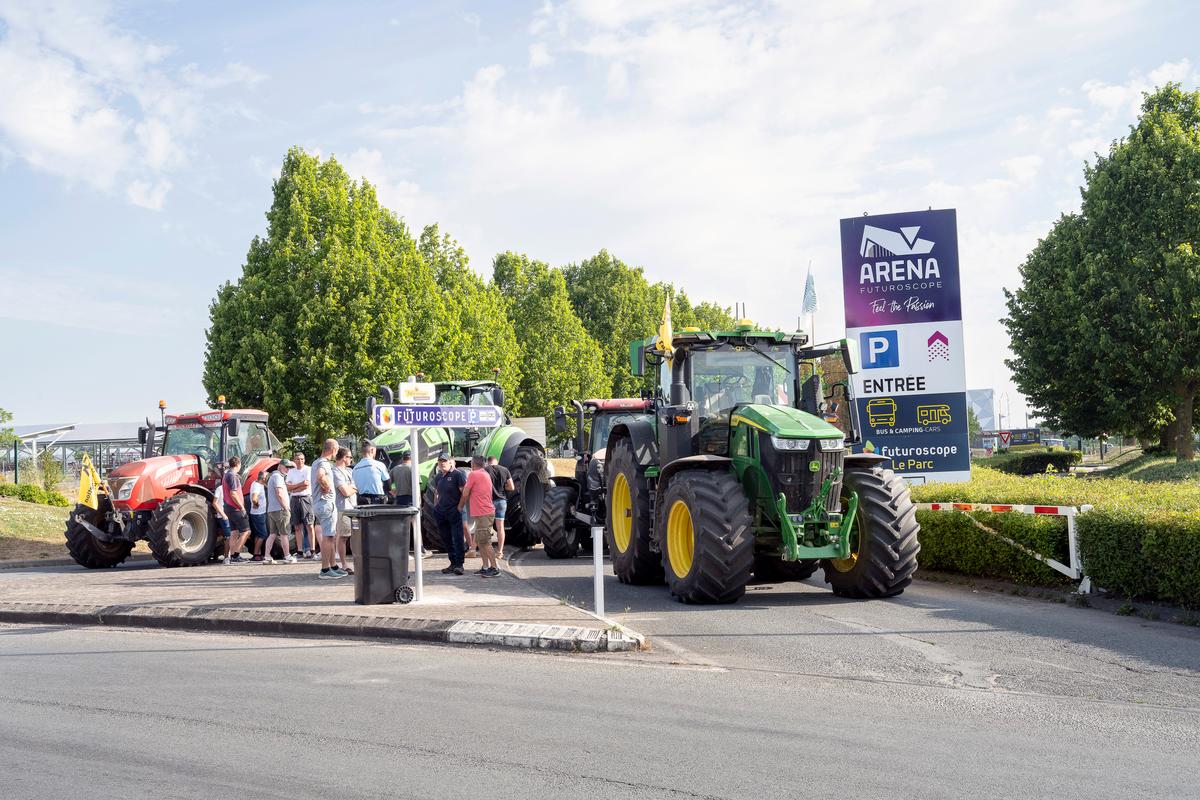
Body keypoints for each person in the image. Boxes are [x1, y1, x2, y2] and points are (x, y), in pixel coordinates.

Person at [459, 455, 498, 577]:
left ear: (473, 464)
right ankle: (485, 567)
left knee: (485, 542)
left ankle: (495, 568)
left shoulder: (474, 474)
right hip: (483, 513)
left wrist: (460, 506)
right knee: (481, 542)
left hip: (483, 513)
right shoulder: (484, 473)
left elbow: (465, 492)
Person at [311, 439, 343, 579]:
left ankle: (333, 566)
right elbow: (320, 476)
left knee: (330, 536)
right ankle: (325, 569)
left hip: (320, 503)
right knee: (328, 537)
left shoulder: (316, 462)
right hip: (325, 503)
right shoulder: (324, 463)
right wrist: (327, 486)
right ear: (333, 449)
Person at [432, 455, 466, 575]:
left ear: (450, 462)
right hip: (441, 512)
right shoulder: (438, 477)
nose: (442, 464)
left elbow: (465, 493)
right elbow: (437, 492)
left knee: (457, 538)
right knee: (446, 539)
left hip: (454, 511)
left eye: (444, 461)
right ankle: (452, 563)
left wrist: (460, 507)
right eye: (440, 461)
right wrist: (436, 506)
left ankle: (459, 565)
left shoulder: (458, 475)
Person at [264, 460, 296, 564]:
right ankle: (287, 556)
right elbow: (279, 493)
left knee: (272, 534)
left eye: (289, 468)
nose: (288, 469)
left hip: (272, 510)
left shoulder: (273, 476)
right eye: (286, 467)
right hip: (280, 510)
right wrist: (285, 507)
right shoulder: (278, 477)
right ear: (280, 466)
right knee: (284, 534)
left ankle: (267, 557)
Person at [222, 456, 251, 563]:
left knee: (234, 533)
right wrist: (242, 507)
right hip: (235, 508)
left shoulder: (226, 475)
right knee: (246, 531)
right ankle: (236, 555)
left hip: (228, 507)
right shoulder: (233, 476)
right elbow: (233, 493)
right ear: (238, 464)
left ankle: (232, 556)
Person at [287, 452, 315, 559]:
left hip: (306, 498)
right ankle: (299, 551)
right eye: (298, 459)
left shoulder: (308, 469)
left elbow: (306, 485)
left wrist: (294, 488)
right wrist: (298, 486)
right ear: (294, 460)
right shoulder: (291, 471)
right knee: (297, 526)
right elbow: (287, 487)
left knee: (309, 525)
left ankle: (312, 550)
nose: (300, 461)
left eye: (302, 459)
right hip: (294, 499)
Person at [333, 446, 357, 575]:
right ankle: (344, 564)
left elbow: (355, 487)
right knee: (343, 536)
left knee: (355, 536)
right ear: (343, 458)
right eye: (350, 457)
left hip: (353, 507)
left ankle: (356, 562)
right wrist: (353, 488)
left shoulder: (349, 470)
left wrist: (352, 488)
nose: (351, 459)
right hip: (343, 508)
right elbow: (346, 492)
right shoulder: (335, 472)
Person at [485, 455, 514, 563]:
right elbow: (511, 487)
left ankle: (488, 551)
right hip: (502, 502)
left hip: (489, 502)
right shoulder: (505, 470)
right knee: (500, 527)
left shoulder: (485, 470)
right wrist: (503, 487)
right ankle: (500, 552)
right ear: (496, 461)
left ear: (488, 462)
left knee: (487, 527)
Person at [247, 470, 269, 561]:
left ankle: (257, 554)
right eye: (267, 477)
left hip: (257, 514)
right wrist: (256, 504)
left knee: (258, 534)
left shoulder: (256, 484)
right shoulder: (257, 486)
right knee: (263, 534)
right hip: (258, 514)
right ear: (263, 478)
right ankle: (256, 554)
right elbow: (254, 498)